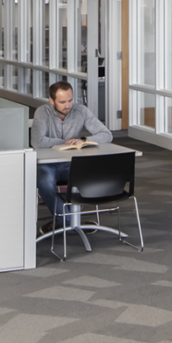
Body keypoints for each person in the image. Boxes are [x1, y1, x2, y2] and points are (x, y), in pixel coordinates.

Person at [31, 81, 113, 235]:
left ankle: (62, 222)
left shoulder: (80, 110)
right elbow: (37, 141)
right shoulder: (42, 112)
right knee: (45, 183)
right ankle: (70, 222)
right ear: (51, 100)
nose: (67, 105)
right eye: (62, 102)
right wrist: (66, 142)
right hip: (47, 164)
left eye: (70, 100)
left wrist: (84, 140)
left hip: (72, 162)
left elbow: (107, 135)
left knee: (88, 177)